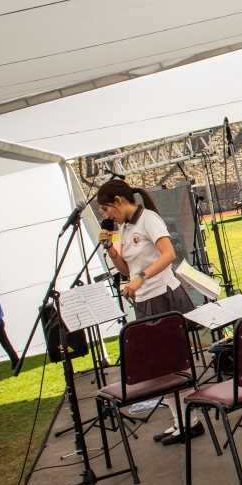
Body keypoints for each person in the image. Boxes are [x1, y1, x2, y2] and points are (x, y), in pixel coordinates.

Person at [96, 178, 203, 446]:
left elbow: (168, 255)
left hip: (163, 295)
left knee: (174, 362)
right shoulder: (124, 227)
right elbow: (126, 270)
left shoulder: (148, 219)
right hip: (145, 300)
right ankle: (179, 421)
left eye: (106, 209)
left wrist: (140, 278)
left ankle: (191, 422)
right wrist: (111, 249)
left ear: (118, 200)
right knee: (160, 366)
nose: (106, 215)